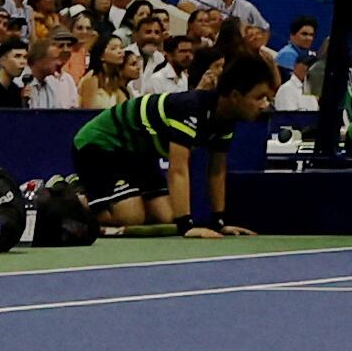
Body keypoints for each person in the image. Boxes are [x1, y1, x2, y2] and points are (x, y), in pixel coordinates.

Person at [70, 46, 278, 235]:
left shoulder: (226, 119)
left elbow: (216, 171)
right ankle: (70, 197)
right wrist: (187, 226)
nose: (264, 105)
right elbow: (178, 169)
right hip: (100, 145)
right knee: (130, 218)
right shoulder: (191, 108)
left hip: (138, 154)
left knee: (165, 217)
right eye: (259, 97)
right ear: (235, 96)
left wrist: (219, 222)